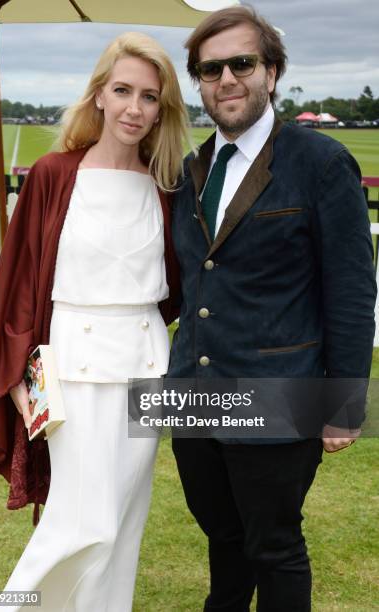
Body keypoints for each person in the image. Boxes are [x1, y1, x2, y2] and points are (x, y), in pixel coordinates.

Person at [168, 6, 376, 611]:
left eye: (242, 63)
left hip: (278, 394)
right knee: (223, 539)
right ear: (199, 81)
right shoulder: (193, 168)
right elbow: (193, 279)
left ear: (272, 72)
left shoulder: (321, 162)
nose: (226, 78)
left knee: (274, 546)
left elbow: (350, 290)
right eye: (210, 69)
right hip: (195, 394)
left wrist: (342, 404)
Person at [0, 32, 187, 611]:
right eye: (122, 91)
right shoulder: (52, 173)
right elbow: (16, 285)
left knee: (122, 523)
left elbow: (178, 289)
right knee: (81, 521)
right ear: (98, 94)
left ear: (162, 107)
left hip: (147, 370)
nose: (134, 109)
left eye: (149, 96)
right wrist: (17, 374)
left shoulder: (166, 185)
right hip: (69, 366)